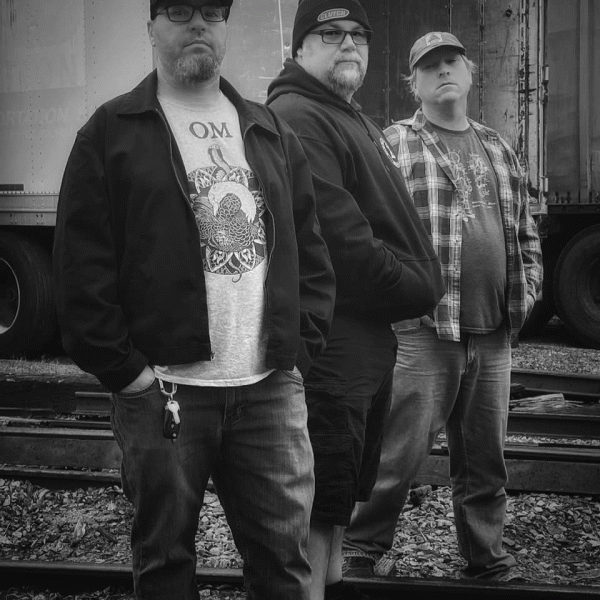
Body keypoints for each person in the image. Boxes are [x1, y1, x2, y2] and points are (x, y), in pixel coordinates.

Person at [52, 1, 337, 598]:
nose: (199, 24)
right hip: (164, 394)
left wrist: (298, 354)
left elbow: (310, 250)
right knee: (164, 566)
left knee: (284, 569)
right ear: (151, 27)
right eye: (180, 11)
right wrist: (129, 375)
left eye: (212, 11)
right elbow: (81, 270)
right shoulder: (110, 132)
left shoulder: (268, 128)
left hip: (269, 390)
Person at [342, 31, 543, 582]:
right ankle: (360, 548)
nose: (443, 71)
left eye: (452, 61)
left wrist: (527, 290)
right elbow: (367, 229)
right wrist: (398, 298)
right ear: (414, 83)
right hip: (425, 327)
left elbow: (525, 231)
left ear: (470, 72)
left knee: (485, 461)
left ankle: (486, 558)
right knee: (397, 455)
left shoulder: (498, 146)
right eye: (430, 67)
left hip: (493, 330)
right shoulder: (394, 144)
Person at [266, 4, 445, 599]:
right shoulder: (299, 117)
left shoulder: (346, 116)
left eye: (358, 36)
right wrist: (420, 285)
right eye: (330, 34)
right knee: (319, 509)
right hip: (333, 348)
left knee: (337, 507)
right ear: (299, 49)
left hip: (362, 346)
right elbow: (341, 243)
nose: (348, 45)